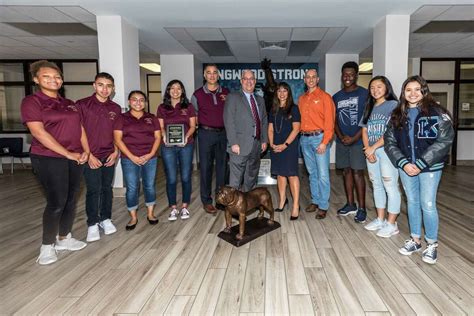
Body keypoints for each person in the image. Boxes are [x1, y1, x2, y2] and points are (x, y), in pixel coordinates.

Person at [21, 60, 88, 265]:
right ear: (36, 79)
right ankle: (47, 246)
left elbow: (80, 129)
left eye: (57, 76)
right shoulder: (32, 102)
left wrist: (85, 150)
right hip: (48, 158)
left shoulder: (69, 104)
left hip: (76, 157)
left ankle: (64, 238)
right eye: (47, 76)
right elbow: (38, 133)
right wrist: (67, 153)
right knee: (56, 202)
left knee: (70, 199)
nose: (54, 80)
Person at [385, 75, 454, 264]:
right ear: (403, 93)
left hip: (429, 167)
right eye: (408, 90)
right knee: (413, 202)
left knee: (428, 204)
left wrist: (421, 163)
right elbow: (390, 142)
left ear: (424, 91)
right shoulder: (397, 114)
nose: (413, 93)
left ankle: (431, 244)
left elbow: (445, 140)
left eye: (417, 89)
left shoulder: (437, 112)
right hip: (405, 166)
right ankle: (415, 240)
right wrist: (404, 163)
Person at [77, 72, 122, 242]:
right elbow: (78, 131)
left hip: (109, 155)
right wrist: (88, 155)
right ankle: (92, 223)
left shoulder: (115, 108)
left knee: (106, 189)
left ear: (113, 88)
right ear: (94, 85)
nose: (105, 89)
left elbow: (118, 134)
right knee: (93, 190)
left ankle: (105, 219)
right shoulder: (82, 105)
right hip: (91, 156)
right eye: (101, 85)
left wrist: (116, 151)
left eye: (109, 86)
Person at [359, 76, 400, 237]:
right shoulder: (369, 106)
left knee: (390, 186)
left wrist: (373, 147)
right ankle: (381, 219)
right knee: (376, 185)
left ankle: (392, 223)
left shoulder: (393, 105)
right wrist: (368, 149)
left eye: (379, 87)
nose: (375, 90)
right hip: (371, 151)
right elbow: (364, 130)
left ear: (386, 88)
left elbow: (392, 131)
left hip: (387, 151)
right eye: (372, 87)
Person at [114, 90, 161, 230]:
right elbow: (117, 139)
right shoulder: (121, 118)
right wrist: (131, 156)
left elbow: (158, 137)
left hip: (150, 158)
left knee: (149, 186)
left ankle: (150, 214)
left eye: (141, 100)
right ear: (129, 102)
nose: (138, 102)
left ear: (145, 102)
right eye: (134, 99)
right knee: (132, 188)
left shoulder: (152, 118)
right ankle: (133, 217)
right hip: (129, 159)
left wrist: (151, 153)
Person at [191, 64, 229, 215]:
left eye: (215, 73)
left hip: (223, 134)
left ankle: (220, 200)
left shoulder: (226, 92)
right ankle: (206, 201)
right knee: (206, 168)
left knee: (222, 168)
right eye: (209, 73)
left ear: (218, 75)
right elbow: (193, 115)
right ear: (204, 76)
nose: (212, 75)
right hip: (205, 134)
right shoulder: (197, 95)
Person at [333, 62, 368, 222]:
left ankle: (362, 208)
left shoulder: (365, 94)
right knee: (346, 171)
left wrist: (354, 138)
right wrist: (340, 137)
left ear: (356, 75)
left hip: (359, 140)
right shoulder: (336, 97)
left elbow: (367, 120)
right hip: (342, 141)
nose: (347, 77)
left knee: (357, 173)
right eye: (345, 74)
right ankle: (350, 204)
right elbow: (333, 121)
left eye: (351, 74)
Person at [157, 80, 197, 221]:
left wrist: (186, 137)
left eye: (178, 88)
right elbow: (161, 127)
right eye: (172, 88)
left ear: (182, 91)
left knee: (186, 176)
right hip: (168, 146)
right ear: (168, 91)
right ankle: (173, 208)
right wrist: (164, 136)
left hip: (186, 145)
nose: (175, 91)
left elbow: (193, 126)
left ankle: (184, 206)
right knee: (171, 178)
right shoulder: (162, 108)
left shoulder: (189, 106)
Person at [298, 69, 335, 220]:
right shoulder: (301, 99)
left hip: (319, 138)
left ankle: (323, 206)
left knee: (323, 174)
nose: (311, 79)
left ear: (318, 79)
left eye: (313, 77)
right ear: (305, 80)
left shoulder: (325, 97)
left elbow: (330, 122)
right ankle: (315, 200)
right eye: (308, 77)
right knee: (312, 172)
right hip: (304, 139)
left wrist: (324, 142)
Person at [224, 69, 268, 192]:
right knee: (235, 181)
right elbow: (229, 121)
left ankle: (248, 203)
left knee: (251, 177)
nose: (249, 82)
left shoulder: (260, 100)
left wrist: (264, 140)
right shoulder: (233, 97)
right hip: (238, 145)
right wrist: (233, 142)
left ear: (255, 81)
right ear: (241, 81)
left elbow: (264, 120)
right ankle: (233, 208)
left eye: (252, 79)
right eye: (246, 79)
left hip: (256, 145)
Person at [268, 82, 301, 220]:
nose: (282, 93)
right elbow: (270, 129)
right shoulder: (273, 110)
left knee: (291, 175)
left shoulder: (294, 108)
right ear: (276, 93)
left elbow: (296, 129)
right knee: (281, 175)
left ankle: (295, 206)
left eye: (285, 91)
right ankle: (282, 201)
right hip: (276, 147)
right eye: (279, 91)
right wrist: (272, 144)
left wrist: (285, 144)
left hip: (289, 146)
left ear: (289, 93)